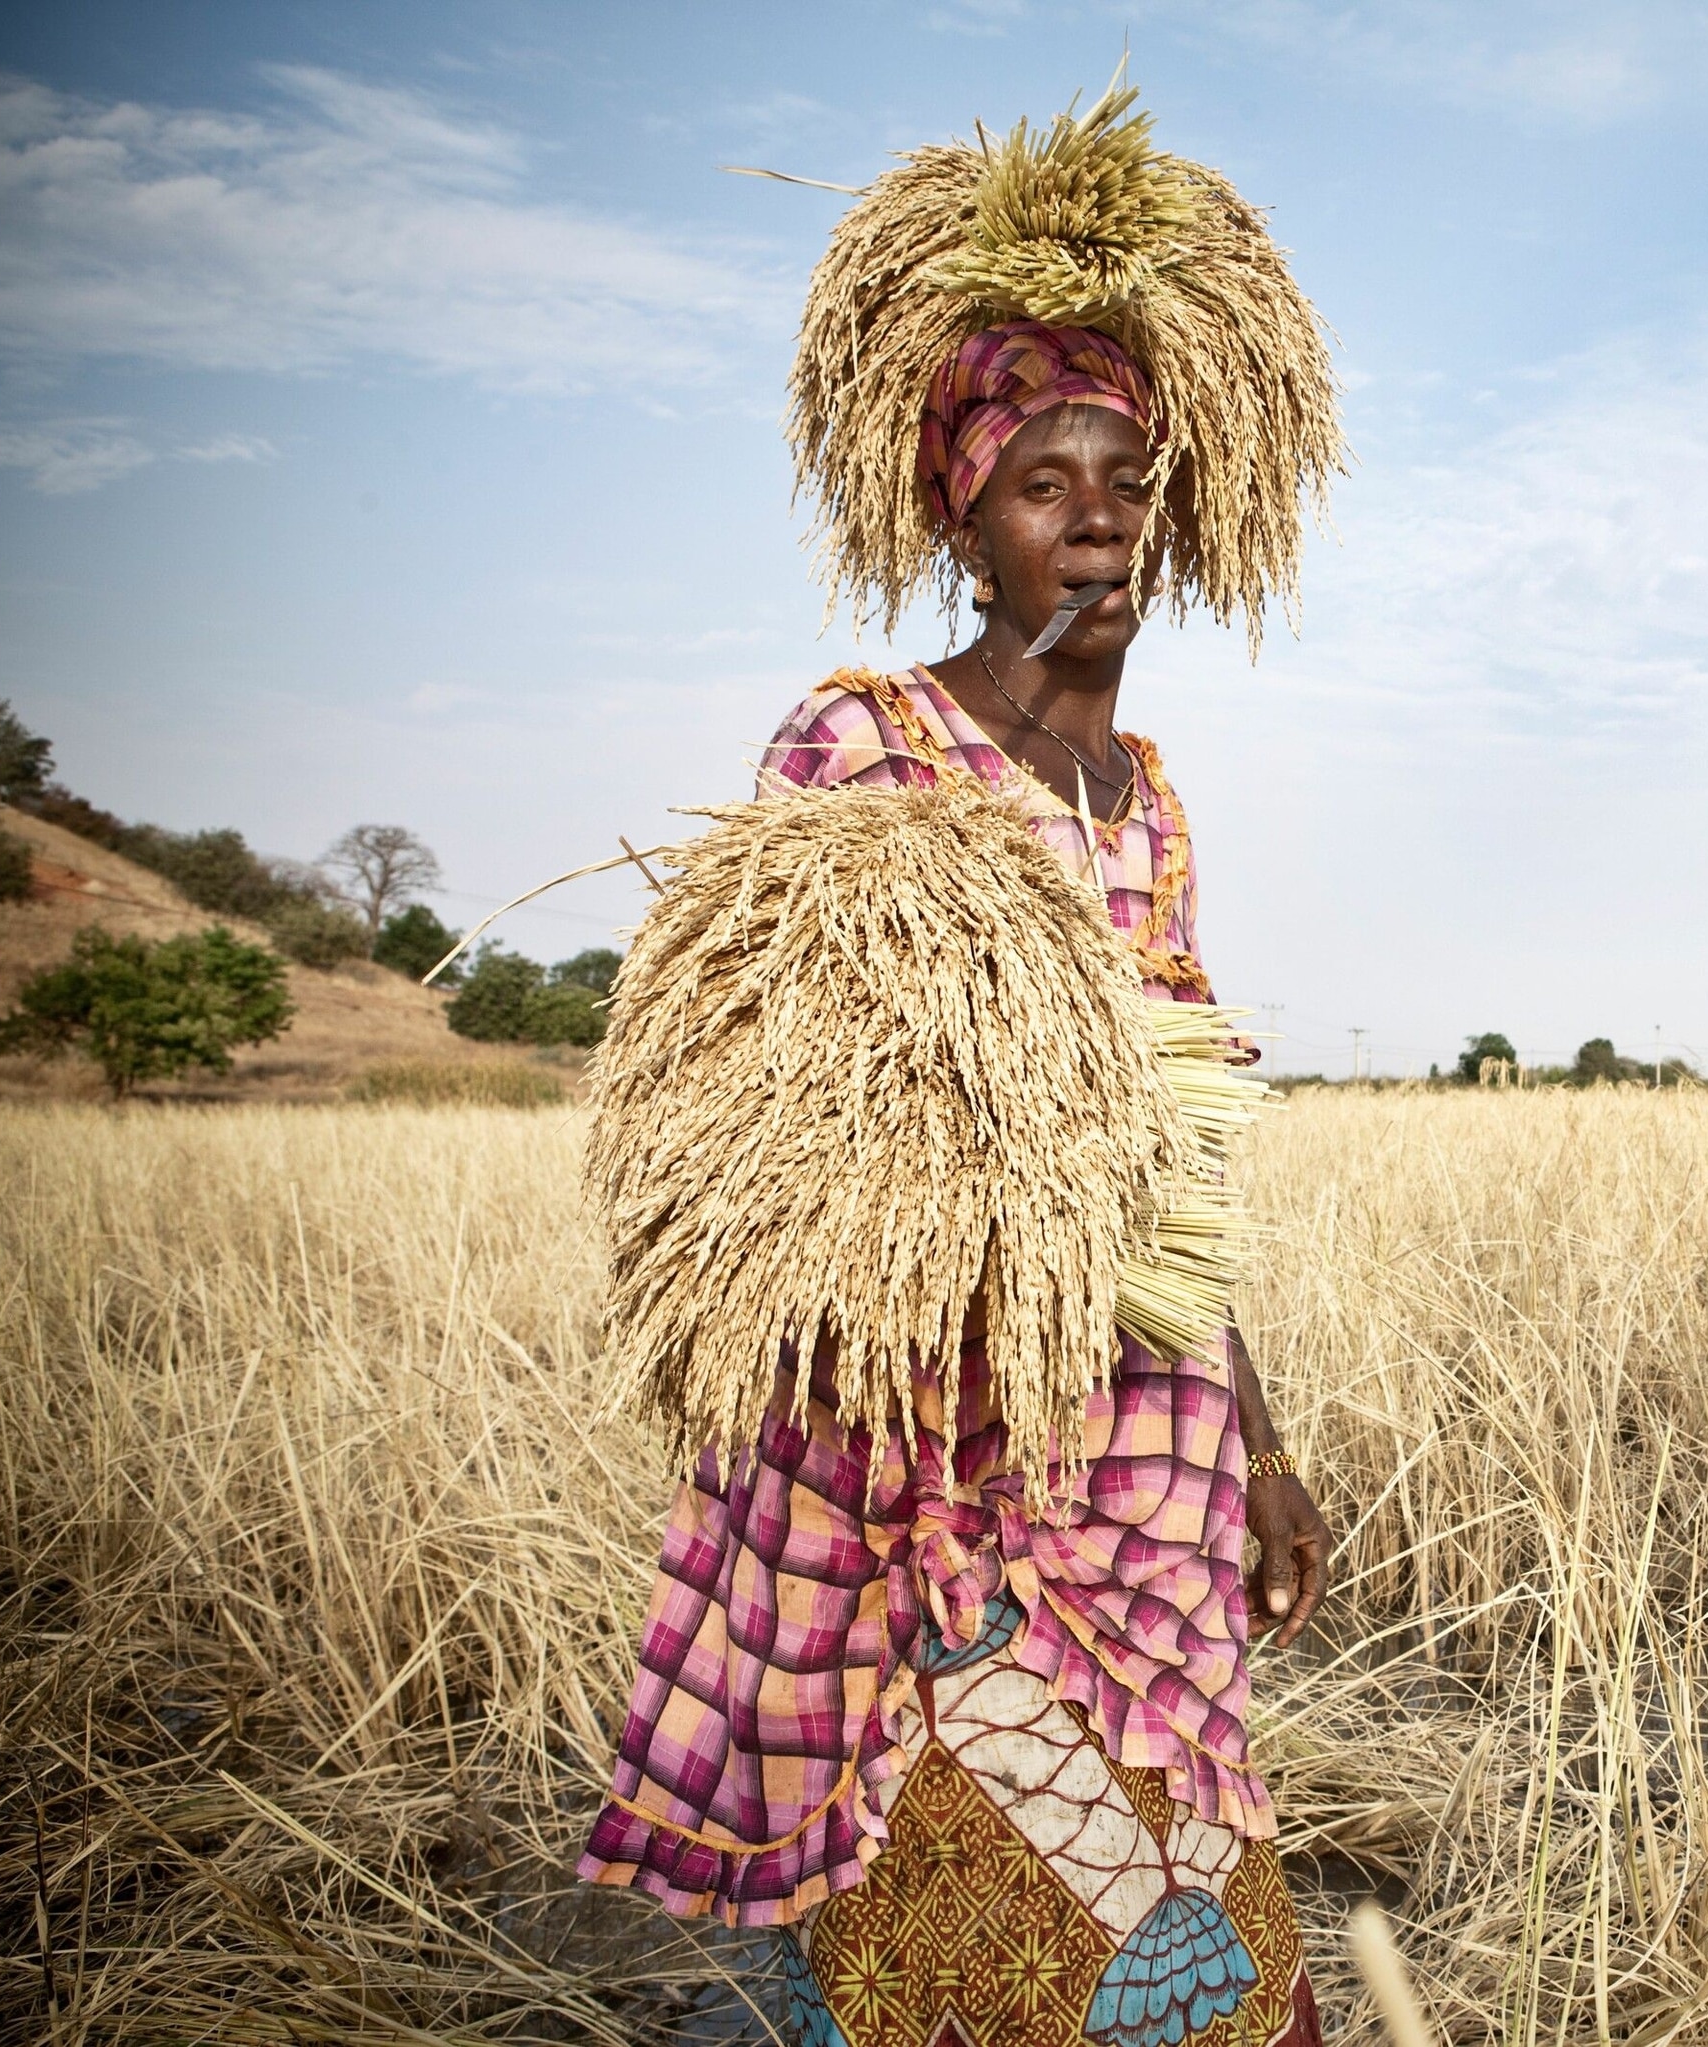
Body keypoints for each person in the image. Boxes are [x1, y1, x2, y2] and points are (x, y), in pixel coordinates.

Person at [577, 86, 1345, 2047]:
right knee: (955, 1874)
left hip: (1145, 1424)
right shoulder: (868, 753)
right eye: (1040, 479)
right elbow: (765, 1122)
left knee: (1187, 1875)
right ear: (960, 521)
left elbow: (1179, 1159)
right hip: (937, 1428)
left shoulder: (1154, 804)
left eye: (1125, 475)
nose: (1094, 510)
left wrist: (1251, 1434)